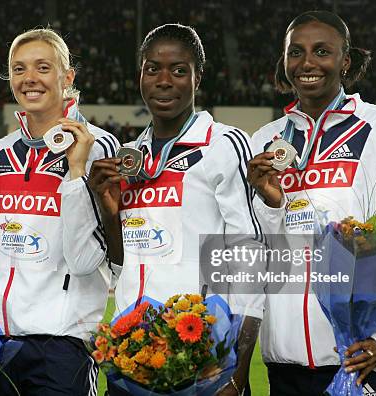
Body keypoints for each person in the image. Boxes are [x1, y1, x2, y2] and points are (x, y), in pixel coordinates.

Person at [247, 11, 376, 396]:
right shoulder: (264, 141)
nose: (307, 63)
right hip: (285, 369)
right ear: (284, 62)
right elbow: (251, 256)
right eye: (295, 52)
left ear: (344, 61)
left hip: (365, 364)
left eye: (322, 51)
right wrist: (268, 203)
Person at [88, 24, 265, 396]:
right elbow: (124, 264)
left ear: (197, 78)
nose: (164, 80)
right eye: (152, 69)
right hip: (132, 359)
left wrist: (238, 370)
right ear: (140, 76)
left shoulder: (223, 144)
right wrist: (108, 212)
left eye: (178, 70)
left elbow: (252, 259)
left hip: (201, 361)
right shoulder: (129, 158)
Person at [0, 28, 119, 395]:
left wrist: (76, 171)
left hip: (62, 341)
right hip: (0, 338)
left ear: (67, 77)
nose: (29, 79)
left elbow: (90, 257)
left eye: (42, 67)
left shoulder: (99, 146)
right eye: (18, 69)